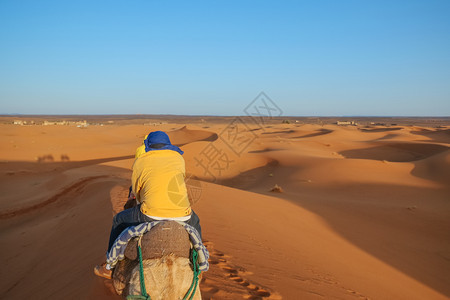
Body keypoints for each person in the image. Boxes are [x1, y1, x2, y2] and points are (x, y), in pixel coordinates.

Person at [94, 131, 202, 279]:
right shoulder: (179, 159)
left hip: (150, 214)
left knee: (118, 220)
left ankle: (109, 265)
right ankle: (198, 262)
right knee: (196, 222)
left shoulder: (141, 160)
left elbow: (137, 192)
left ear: (148, 145)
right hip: (182, 215)